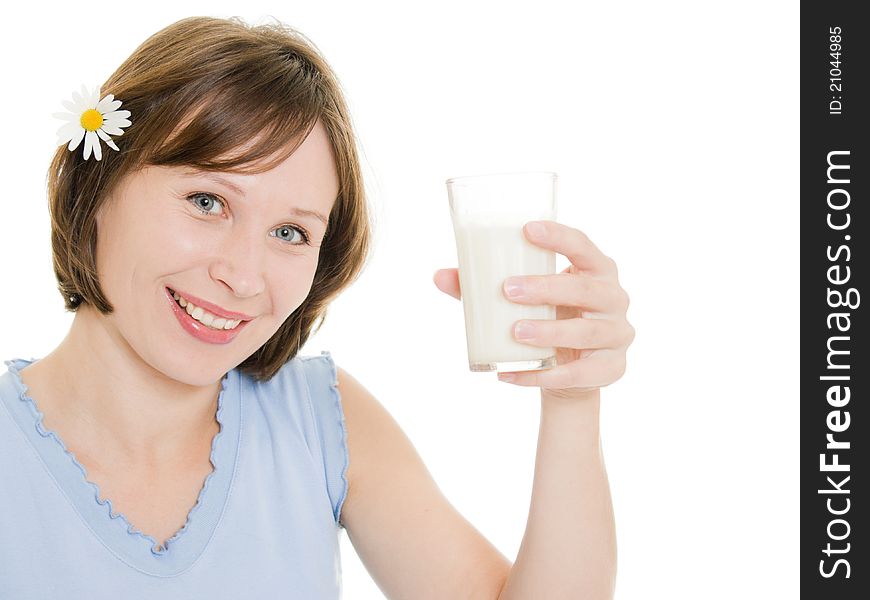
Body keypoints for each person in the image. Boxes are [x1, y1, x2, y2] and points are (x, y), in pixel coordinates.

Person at [0, 15, 634, 599]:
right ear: (96, 185)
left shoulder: (319, 421)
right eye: (206, 201)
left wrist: (572, 399)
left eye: (290, 233)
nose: (243, 277)